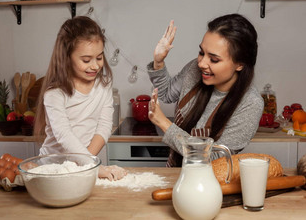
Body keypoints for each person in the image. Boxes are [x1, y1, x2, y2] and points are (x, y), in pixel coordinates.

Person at [147, 14, 264, 167]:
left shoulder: (250, 104)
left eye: (214, 59)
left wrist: (164, 123)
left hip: (211, 185)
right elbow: (167, 94)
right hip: (175, 174)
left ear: (240, 64)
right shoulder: (194, 69)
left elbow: (215, 158)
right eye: (202, 52)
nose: (202, 63)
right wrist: (158, 61)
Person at [34, 16, 127, 180]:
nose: (95, 65)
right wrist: (89, 165)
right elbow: (64, 134)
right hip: (52, 169)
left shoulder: (104, 85)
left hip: (87, 165)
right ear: (66, 57)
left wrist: (86, 164)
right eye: (86, 60)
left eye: (99, 57)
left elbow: (104, 126)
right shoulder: (55, 93)